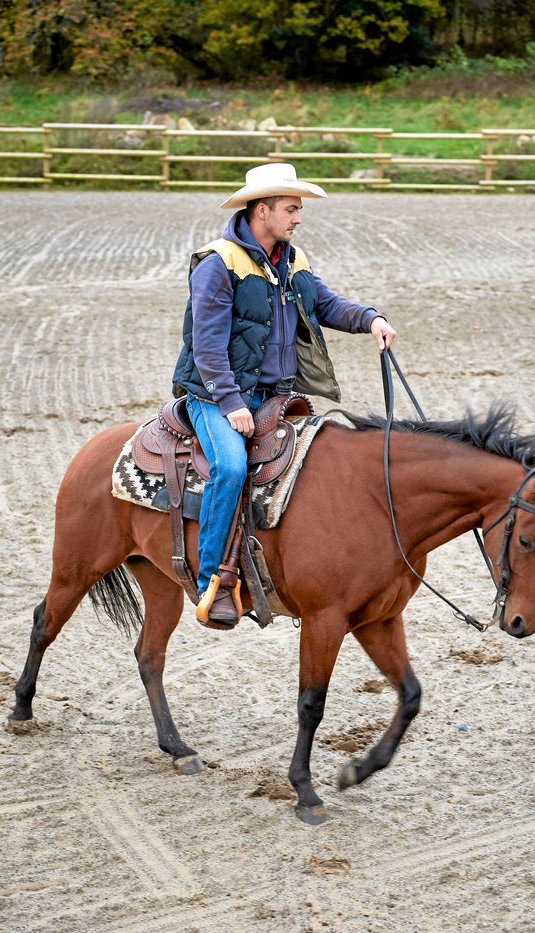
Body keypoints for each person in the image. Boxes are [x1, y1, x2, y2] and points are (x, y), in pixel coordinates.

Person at [172, 162, 396, 627]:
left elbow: (326, 305)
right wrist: (232, 404)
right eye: (292, 209)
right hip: (215, 397)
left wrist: (370, 318)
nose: (298, 218)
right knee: (231, 466)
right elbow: (207, 346)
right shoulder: (218, 264)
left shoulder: (293, 260)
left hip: (276, 396)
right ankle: (213, 581)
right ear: (262, 210)